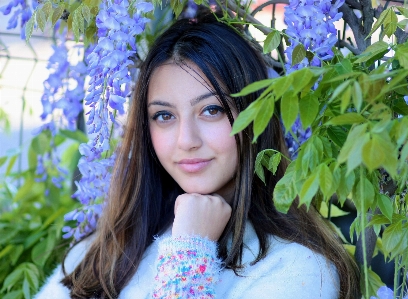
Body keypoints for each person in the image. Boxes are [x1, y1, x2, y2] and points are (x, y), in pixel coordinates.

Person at [34, 12, 360, 299]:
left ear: (253, 116)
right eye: (164, 116)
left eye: (212, 110)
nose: (186, 141)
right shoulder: (111, 244)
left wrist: (190, 253)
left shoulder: (299, 270)